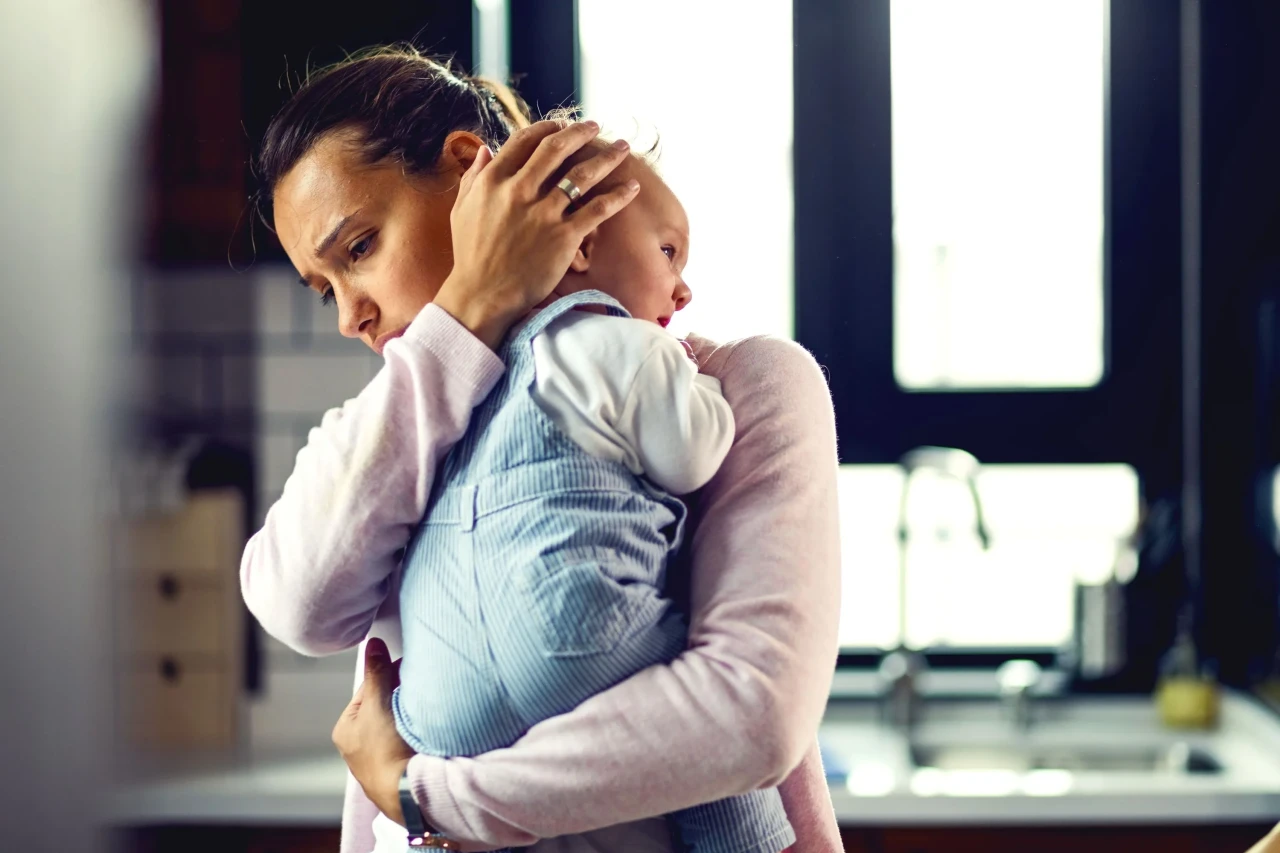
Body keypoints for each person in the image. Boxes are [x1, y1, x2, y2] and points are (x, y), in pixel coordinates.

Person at [242, 47, 842, 852]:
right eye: (325, 287)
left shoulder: (732, 385)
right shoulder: (379, 426)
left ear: (466, 171)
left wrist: (425, 795)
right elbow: (302, 605)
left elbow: (751, 718)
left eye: (359, 249)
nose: (350, 315)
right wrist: (465, 317)